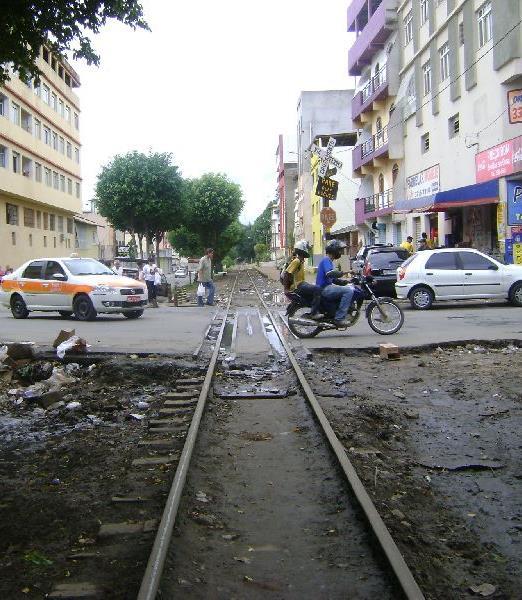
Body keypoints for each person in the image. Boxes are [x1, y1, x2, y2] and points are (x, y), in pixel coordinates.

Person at [315, 239, 355, 327]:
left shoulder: (329, 261)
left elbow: (332, 279)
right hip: (324, 289)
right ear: (334, 250)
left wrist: (345, 282)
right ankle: (339, 318)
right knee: (348, 291)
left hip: (326, 287)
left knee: (348, 288)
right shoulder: (326, 260)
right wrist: (346, 272)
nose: (340, 252)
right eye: (339, 250)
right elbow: (330, 274)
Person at [282, 241, 322, 317]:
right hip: (298, 286)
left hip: (302, 284)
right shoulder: (296, 261)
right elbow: (287, 274)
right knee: (318, 289)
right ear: (302, 249)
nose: (307, 249)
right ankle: (314, 313)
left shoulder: (301, 261)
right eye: (306, 248)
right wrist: (286, 289)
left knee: (316, 289)